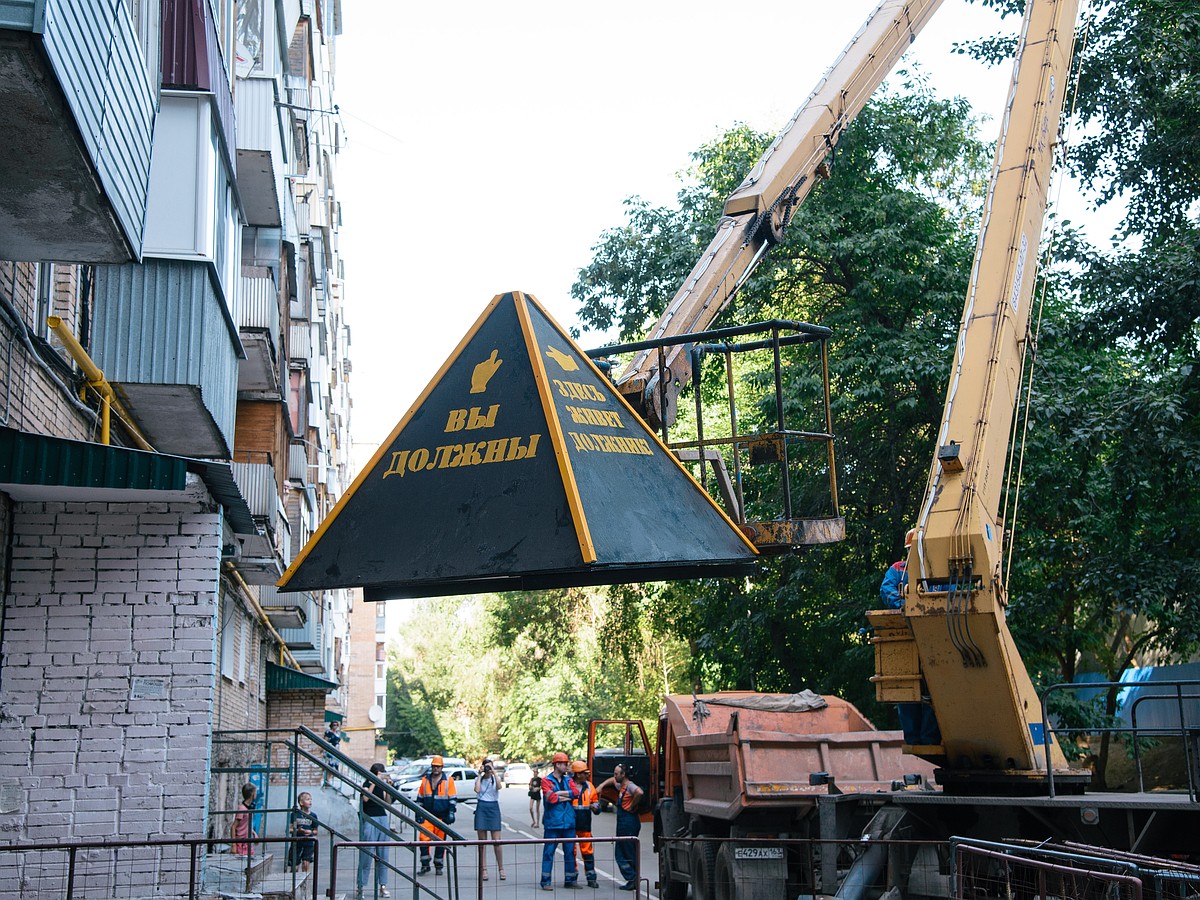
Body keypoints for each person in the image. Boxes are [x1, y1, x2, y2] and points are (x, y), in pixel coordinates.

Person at [879, 528, 942, 746]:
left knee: (935, 691)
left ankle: (929, 739)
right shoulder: (898, 570)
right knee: (907, 691)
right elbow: (887, 590)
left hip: (935, 635)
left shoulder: (938, 569)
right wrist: (906, 606)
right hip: (906, 635)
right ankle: (915, 739)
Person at [596, 763, 643, 891]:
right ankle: (633, 878)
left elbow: (639, 792)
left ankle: (633, 878)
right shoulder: (621, 785)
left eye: (617, 774)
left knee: (625, 852)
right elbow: (612, 780)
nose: (614, 775)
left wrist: (632, 805)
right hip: (624, 823)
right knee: (625, 851)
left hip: (628, 822)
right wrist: (602, 785)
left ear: (624, 775)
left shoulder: (630, 786)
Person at [540, 751, 582, 890]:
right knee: (549, 852)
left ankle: (570, 880)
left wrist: (558, 794)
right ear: (557, 764)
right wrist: (566, 796)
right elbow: (550, 799)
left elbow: (576, 793)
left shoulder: (568, 780)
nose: (566, 766)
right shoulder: (546, 780)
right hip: (553, 823)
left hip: (568, 822)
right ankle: (545, 881)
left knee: (570, 852)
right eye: (564, 764)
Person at [416, 755, 457, 876]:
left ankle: (438, 866)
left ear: (442, 767)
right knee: (423, 840)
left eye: (438, 767)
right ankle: (425, 865)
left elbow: (452, 798)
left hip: (442, 816)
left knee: (440, 842)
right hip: (427, 816)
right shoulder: (425, 780)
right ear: (431, 767)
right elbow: (420, 798)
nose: (436, 769)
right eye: (434, 766)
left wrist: (451, 812)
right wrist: (418, 813)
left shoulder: (448, 780)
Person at [356, 763, 393, 898]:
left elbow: (387, 802)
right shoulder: (367, 783)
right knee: (366, 854)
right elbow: (366, 798)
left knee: (383, 854)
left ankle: (383, 885)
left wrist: (388, 787)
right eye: (379, 773)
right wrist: (373, 782)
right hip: (370, 818)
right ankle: (361, 886)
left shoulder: (382, 785)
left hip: (382, 817)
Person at [570, 761, 601, 888]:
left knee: (587, 851)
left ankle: (591, 878)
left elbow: (596, 803)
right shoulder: (568, 785)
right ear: (577, 774)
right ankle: (572, 878)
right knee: (571, 851)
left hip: (585, 825)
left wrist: (596, 808)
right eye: (584, 773)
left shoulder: (589, 786)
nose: (587, 775)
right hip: (570, 824)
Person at [474, 757, 506, 881]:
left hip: (493, 806)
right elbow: (477, 790)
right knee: (482, 842)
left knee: (496, 841)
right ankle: (484, 869)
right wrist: (479, 774)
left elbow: (499, 786)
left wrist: (494, 771)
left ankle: (501, 868)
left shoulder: (494, 778)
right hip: (482, 806)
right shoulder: (480, 779)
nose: (488, 769)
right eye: (486, 767)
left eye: (490, 767)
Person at [288, 791, 319, 873]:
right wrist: (298, 830)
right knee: (294, 866)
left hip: (308, 842)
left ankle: (304, 883)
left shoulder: (313, 816)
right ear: (301, 802)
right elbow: (290, 829)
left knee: (306, 863)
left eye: (311, 799)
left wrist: (311, 832)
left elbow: (316, 831)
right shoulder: (295, 815)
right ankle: (294, 882)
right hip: (297, 842)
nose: (310, 801)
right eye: (308, 799)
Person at [231, 782, 258, 856]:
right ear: (252, 794)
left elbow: (246, 824)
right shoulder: (242, 809)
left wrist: (254, 833)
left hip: (246, 842)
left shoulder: (248, 808)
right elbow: (233, 827)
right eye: (255, 792)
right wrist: (234, 845)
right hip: (241, 843)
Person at [322, 720, 347, 788]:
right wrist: (324, 751)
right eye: (334, 725)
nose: (335, 726)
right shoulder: (328, 732)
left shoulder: (337, 733)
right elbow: (325, 742)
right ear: (331, 725)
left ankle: (329, 780)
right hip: (330, 751)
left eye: (336, 725)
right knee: (330, 766)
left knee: (334, 766)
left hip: (336, 751)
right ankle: (327, 780)